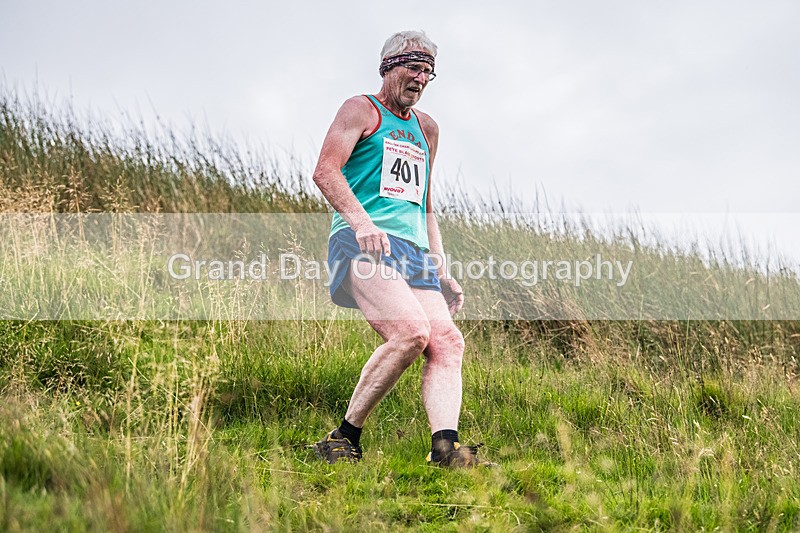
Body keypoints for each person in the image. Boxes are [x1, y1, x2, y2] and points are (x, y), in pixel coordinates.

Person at [311, 30, 487, 468]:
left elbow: (425, 205)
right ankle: (342, 438)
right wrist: (362, 223)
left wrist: (441, 269)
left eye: (429, 71)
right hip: (361, 242)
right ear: (387, 67)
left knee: (447, 340)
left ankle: (445, 450)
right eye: (414, 67)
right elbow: (325, 171)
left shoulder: (427, 129)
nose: (421, 78)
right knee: (410, 332)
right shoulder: (361, 110)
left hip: (413, 251)